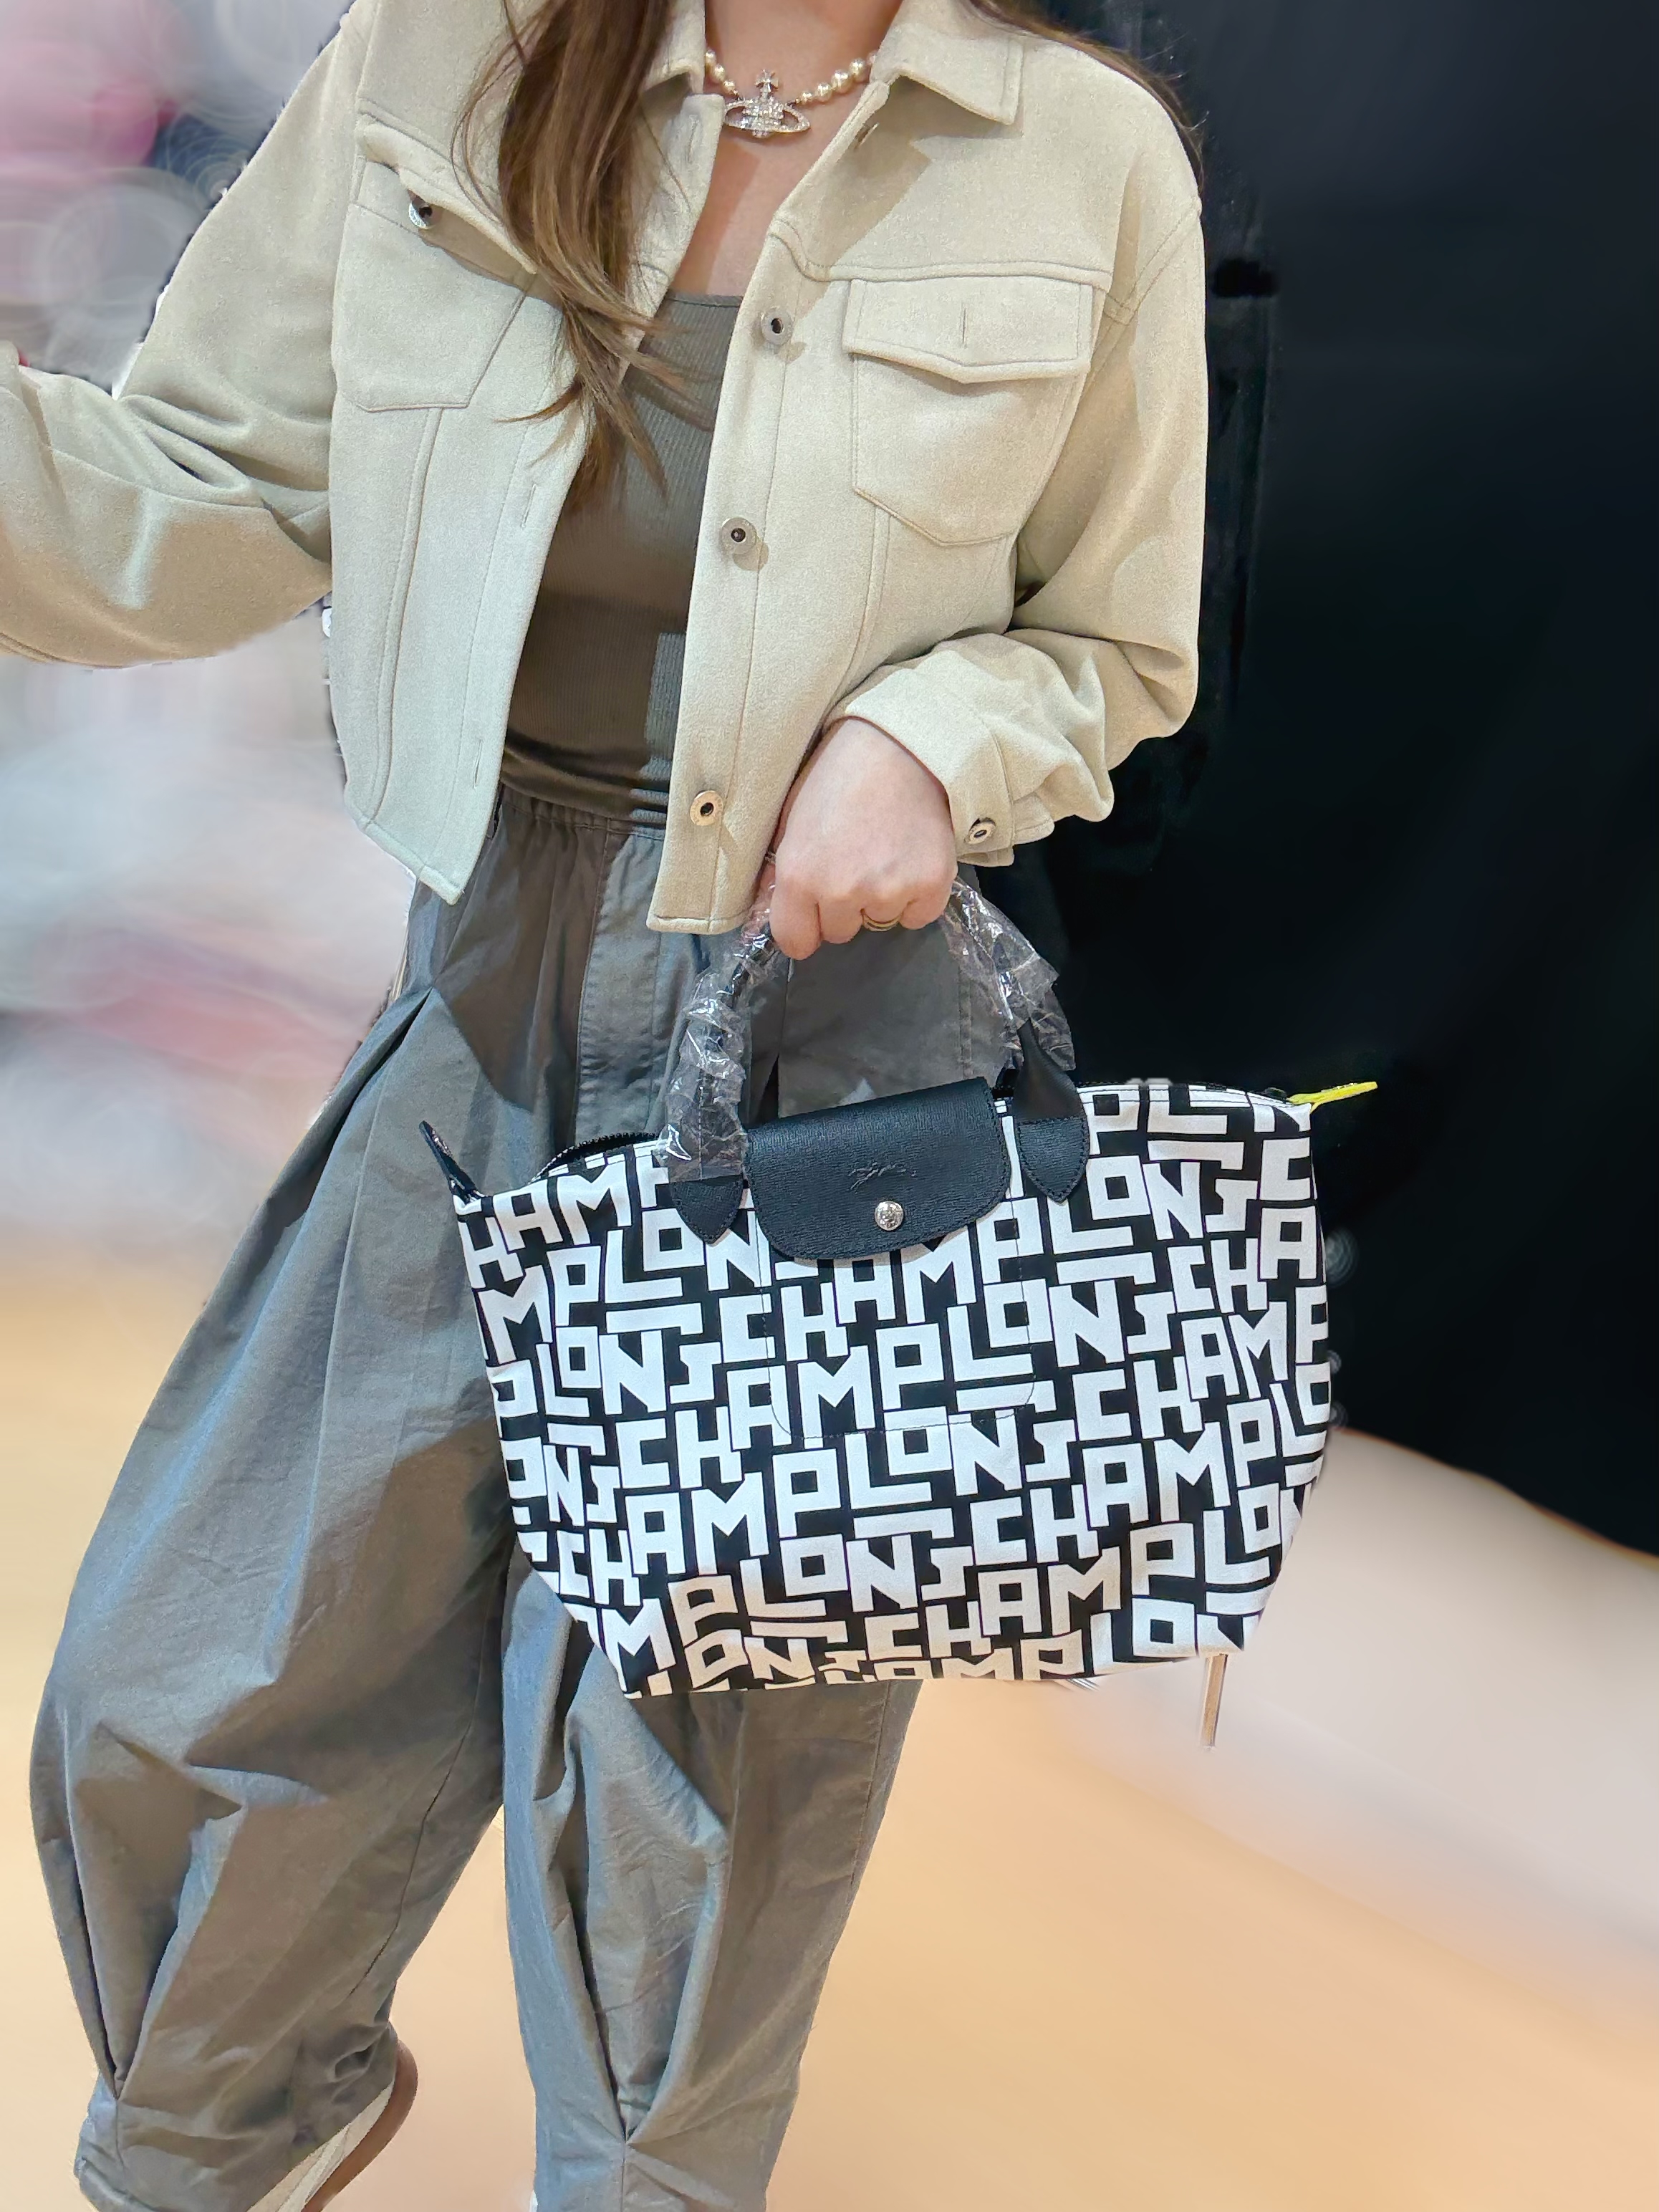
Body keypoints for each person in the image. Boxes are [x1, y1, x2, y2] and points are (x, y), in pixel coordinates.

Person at [6, 1, 1207, 2206]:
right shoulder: (444, 66)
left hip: (829, 1046)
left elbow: (1110, 645)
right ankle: (208, 2145)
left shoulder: (1075, 150)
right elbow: (200, 493)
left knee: (693, 1793)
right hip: (484, 979)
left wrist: (928, 739)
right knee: (187, 1674)